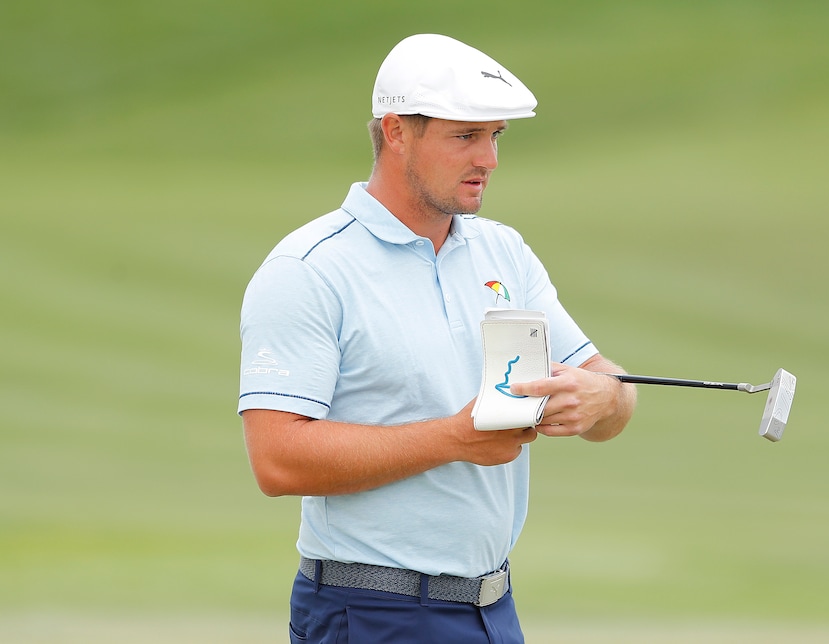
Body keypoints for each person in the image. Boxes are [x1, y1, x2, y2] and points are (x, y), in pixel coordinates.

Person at [238, 33, 637, 644]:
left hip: (492, 608)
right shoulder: (310, 269)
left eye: (495, 136)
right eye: (465, 137)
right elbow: (277, 459)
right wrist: (455, 438)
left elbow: (602, 379)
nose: (489, 159)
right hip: (370, 610)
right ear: (396, 132)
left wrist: (605, 400)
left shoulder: (502, 250)